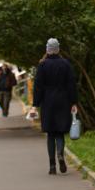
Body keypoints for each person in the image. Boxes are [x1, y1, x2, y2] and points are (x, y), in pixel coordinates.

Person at [29, 38, 78, 174]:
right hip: (63, 101)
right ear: (58, 49)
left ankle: (52, 165)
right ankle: (61, 154)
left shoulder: (43, 65)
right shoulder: (66, 64)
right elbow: (71, 85)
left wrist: (35, 105)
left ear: (47, 49)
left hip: (48, 101)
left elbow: (38, 87)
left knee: (50, 134)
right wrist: (73, 102)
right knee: (60, 133)